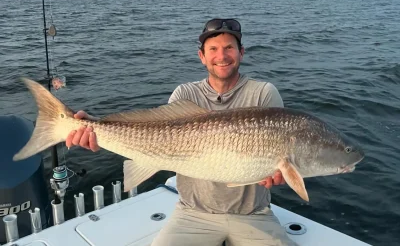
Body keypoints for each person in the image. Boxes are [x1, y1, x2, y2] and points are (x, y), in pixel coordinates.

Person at [66, 18, 298, 246]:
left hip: (253, 214)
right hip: (192, 214)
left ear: (241, 52)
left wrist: (280, 174)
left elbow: (282, 157)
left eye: (229, 48)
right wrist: (94, 126)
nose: (222, 56)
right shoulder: (184, 94)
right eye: (213, 49)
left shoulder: (264, 94)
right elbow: (151, 132)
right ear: (202, 57)